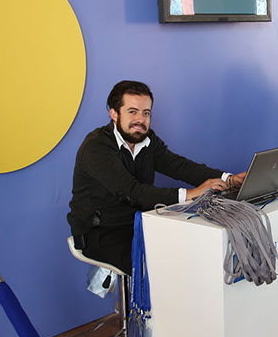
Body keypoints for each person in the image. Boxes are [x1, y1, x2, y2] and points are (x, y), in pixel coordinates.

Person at [67, 80, 246, 275]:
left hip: (140, 222)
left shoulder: (147, 140)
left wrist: (228, 179)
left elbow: (181, 166)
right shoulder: (96, 147)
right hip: (101, 232)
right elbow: (132, 192)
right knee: (162, 267)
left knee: (191, 248)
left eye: (146, 113)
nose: (140, 120)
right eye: (132, 112)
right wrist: (191, 194)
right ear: (114, 114)